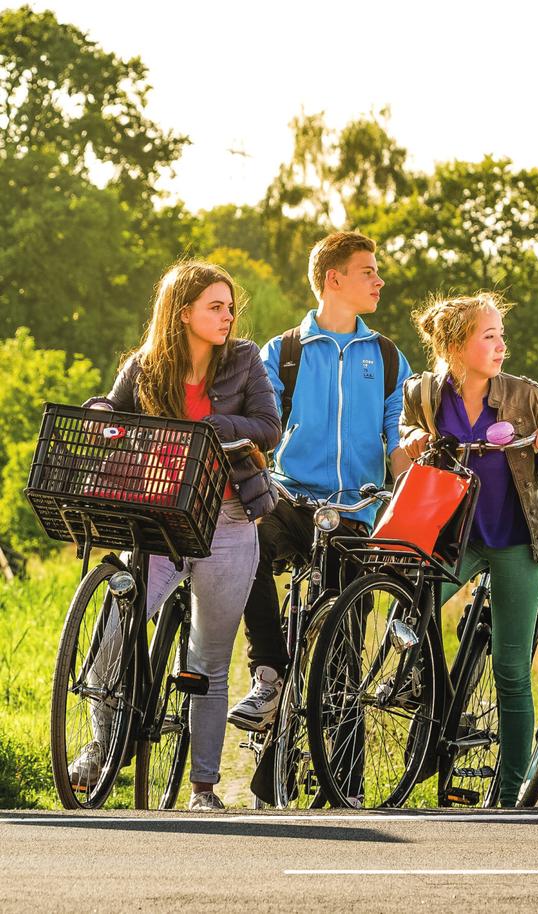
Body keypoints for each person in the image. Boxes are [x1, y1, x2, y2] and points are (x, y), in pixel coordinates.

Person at [80, 261, 282, 811]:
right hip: (159, 520)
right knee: (114, 628)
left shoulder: (242, 359)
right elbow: (114, 409)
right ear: (182, 311)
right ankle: (100, 748)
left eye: (229, 306)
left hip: (228, 521)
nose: (227, 316)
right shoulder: (145, 365)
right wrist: (100, 412)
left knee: (207, 660)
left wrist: (221, 427)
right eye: (215, 306)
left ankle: (203, 789)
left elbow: (269, 424)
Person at [228, 231, 412, 732]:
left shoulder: (388, 356)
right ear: (334, 279)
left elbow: (397, 437)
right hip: (288, 497)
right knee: (249, 548)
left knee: (344, 641)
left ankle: (343, 775)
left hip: (356, 510)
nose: (380, 279)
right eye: (368, 271)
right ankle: (268, 676)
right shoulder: (283, 351)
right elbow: (259, 426)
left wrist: (405, 474)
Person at [400, 292, 538, 807]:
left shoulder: (523, 393)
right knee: (414, 605)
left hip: (519, 539)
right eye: (490, 335)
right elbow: (410, 433)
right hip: (458, 536)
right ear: (456, 346)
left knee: (511, 668)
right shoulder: (426, 394)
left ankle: (515, 792)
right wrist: (412, 438)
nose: (502, 345)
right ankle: (421, 689)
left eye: (501, 334)